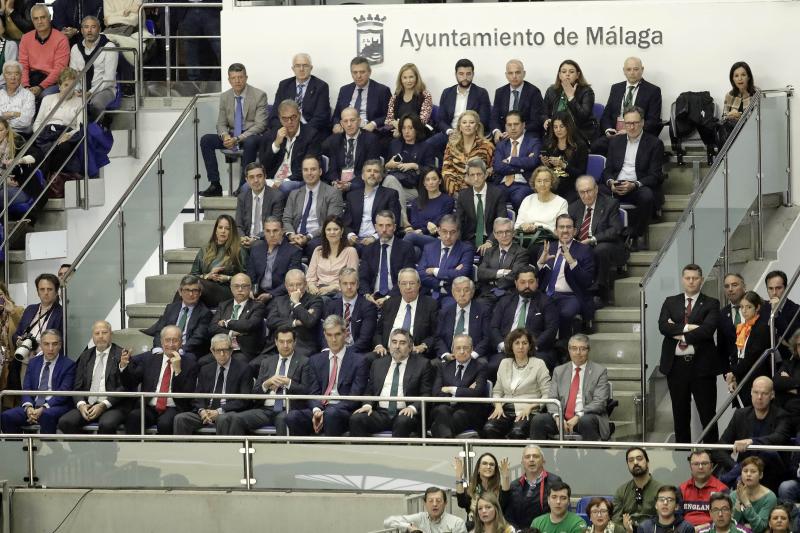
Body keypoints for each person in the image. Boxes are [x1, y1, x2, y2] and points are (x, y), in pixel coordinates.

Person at [658, 263, 721, 443]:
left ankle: (712, 456)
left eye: (695, 278)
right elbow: (663, 327)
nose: (691, 282)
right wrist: (688, 327)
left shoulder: (711, 303)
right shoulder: (671, 301)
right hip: (676, 367)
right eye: (688, 278)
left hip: (701, 366)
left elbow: (708, 330)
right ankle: (683, 456)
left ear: (701, 280)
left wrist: (679, 333)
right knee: (680, 414)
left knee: (707, 414)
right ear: (682, 279)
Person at [218, 326, 316, 436]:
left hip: (288, 409)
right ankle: (240, 452)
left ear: (295, 342)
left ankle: (284, 453)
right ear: (276, 342)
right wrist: (267, 384)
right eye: (281, 341)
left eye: (289, 342)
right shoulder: (267, 362)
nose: (285, 345)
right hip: (266, 410)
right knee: (236, 418)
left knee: (282, 419)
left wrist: (288, 383)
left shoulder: (304, 362)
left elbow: (307, 391)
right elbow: (255, 393)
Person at [286, 315, 368, 437]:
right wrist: (317, 410)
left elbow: (354, 398)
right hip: (321, 408)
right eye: (329, 335)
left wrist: (327, 412)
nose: (333, 339)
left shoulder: (359, 361)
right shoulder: (315, 360)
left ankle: (331, 453)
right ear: (324, 335)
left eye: (337, 334)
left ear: (345, 334)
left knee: (331, 414)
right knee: (292, 417)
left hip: (342, 412)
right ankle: (302, 453)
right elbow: (313, 393)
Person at [600, 106, 664, 251]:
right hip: (617, 184)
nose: (631, 126)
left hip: (638, 186)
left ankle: (637, 234)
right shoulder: (616, 142)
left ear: (642, 122)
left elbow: (655, 176)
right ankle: (606, 233)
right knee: (594, 191)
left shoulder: (654, 143)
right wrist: (611, 183)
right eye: (628, 123)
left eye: (635, 123)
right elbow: (607, 170)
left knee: (647, 196)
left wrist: (634, 184)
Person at [198, 63, 267, 197]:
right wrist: (225, 136)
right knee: (206, 140)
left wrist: (237, 138)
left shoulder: (259, 95)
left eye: (240, 77)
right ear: (229, 80)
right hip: (231, 135)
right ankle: (215, 184)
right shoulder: (225, 97)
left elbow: (260, 125)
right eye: (234, 78)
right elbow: (221, 123)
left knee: (250, 142)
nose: (237, 81)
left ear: (246, 78)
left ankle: (243, 186)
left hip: (250, 135)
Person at [350, 328, 432, 437]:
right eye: (394, 342)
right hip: (381, 413)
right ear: (389, 345)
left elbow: (426, 394)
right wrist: (367, 405)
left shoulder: (422, 364)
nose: (397, 346)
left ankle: (394, 454)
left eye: (402, 343)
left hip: (405, 413)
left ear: (410, 347)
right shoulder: (378, 364)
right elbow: (369, 390)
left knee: (402, 421)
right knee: (356, 419)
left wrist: (412, 408)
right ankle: (366, 453)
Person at [530, 333, 612, 441]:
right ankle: (539, 456)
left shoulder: (599, 371)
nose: (578, 353)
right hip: (562, 418)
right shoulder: (559, 371)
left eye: (582, 349)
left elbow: (599, 403)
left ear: (588, 350)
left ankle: (591, 457)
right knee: (538, 420)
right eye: (574, 348)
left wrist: (578, 416)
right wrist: (557, 417)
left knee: (586, 421)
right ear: (569, 350)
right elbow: (552, 398)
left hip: (586, 417)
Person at [718, 376, 792, 493]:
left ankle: (727, 479)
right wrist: (738, 468)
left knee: (767, 451)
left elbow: (778, 438)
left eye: (764, 393)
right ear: (751, 393)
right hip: (742, 473)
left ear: (772, 395)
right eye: (756, 392)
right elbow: (720, 448)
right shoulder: (740, 415)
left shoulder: (782, 416)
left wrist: (752, 441)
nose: (759, 397)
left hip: (771, 472)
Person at [120, 325, 198, 435]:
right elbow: (131, 383)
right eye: (167, 340)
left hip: (174, 407)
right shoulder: (150, 359)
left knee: (165, 423)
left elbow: (186, 394)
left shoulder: (190, 363)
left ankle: (163, 452)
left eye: (175, 340)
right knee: (134, 417)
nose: (171, 344)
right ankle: (135, 451)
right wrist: (124, 367)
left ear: (181, 343)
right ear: (161, 342)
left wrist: (178, 371)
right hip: (150, 406)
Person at [56, 320, 129, 434]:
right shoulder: (85, 356)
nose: (100, 336)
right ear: (92, 336)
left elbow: (124, 386)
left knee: (107, 424)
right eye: (97, 333)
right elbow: (77, 386)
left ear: (111, 334)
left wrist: (103, 405)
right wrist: (81, 405)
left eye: (104, 332)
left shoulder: (122, 354)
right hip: (88, 404)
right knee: (65, 422)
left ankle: (102, 452)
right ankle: (85, 451)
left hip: (113, 405)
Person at [173, 334, 253, 435]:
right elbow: (198, 396)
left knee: (223, 419)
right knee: (181, 418)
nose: (222, 354)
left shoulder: (244, 369)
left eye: (225, 350)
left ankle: (222, 450)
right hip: (207, 412)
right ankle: (182, 450)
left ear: (231, 350)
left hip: (228, 412)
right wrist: (202, 411)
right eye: (218, 350)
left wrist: (219, 411)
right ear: (212, 351)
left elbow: (244, 400)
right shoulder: (205, 369)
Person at [0, 328, 74, 433]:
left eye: (54, 344)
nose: (50, 348)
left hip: (55, 406)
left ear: (60, 345)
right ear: (41, 346)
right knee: (6, 416)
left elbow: (64, 392)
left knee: (46, 415)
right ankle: (19, 448)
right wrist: (29, 407)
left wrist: (43, 408)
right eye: (46, 344)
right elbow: (27, 388)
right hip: (33, 405)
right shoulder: (33, 363)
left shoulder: (68, 365)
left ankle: (50, 448)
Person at [569, 176, 628, 308]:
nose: (586, 195)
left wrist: (592, 240)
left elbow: (615, 230)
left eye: (589, 190)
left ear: (596, 189)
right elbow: (569, 229)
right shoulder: (573, 208)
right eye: (582, 192)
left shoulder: (610, 203)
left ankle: (599, 292)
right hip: (581, 245)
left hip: (608, 245)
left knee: (599, 250)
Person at [489, 265, 559, 374]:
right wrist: (504, 346)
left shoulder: (547, 302)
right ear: (516, 283)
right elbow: (494, 327)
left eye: (531, 282)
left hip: (535, 351)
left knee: (536, 367)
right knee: (492, 366)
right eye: (522, 282)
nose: (527, 286)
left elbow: (551, 329)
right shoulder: (505, 301)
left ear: (537, 282)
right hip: (507, 350)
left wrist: (530, 347)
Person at [483, 328, 550, 439]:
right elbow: (497, 391)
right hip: (505, 409)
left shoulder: (539, 364)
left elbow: (547, 394)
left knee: (517, 432)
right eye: (517, 343)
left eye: (524, 343)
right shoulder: (504, 363)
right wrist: (498, 406)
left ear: (529, 346)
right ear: (511, 346)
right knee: (489, 428)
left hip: (528, 411)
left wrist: (531, 407)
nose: (520, 347)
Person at [536, 214, 596, 338]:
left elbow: (587, 281)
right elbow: (536, 280)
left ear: (574, 231)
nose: (565, 230)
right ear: (555, 231)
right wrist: (540, 264)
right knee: (535, 314)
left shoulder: (584, 250)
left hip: (570, 296)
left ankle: (562, 346)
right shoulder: (547, 248)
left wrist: (573, 263)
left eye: (568, 227)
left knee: (565, 314)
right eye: (561, 227)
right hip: (546, 295)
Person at [594, 57, 662, 155]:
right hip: (615, 134)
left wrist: (628, 131)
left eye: (636, 69)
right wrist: (608, 130)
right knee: (595, 146)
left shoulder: (653, 91)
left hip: (637, 134)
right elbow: (606, 115)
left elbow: (653, 121)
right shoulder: (616, 88)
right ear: (624, 71)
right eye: (629, 69)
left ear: (642, 70)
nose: (632, 73)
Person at [8, 273, 63, 393]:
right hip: (25, 358)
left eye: (49, 289)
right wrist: (19, 340)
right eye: (42, 289)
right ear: (37, 292)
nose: (46, 292)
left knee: (42, 395)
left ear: (56, 291)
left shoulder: (61, 313)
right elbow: (17, 332)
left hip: (46, 359)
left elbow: (61, 339)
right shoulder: (30, 309)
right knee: (26, 393)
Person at [282, 154, 345, 257]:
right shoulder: (294, 194)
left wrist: (308, 237)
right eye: (305, 170)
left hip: (318, 237)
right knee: (277, 242)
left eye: (313, 169)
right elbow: (286, 219)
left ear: (320, 171)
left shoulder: (333, 193)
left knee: (314, 246)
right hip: (295, 235)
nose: (309, 173)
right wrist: (292, 235)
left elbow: (331, 223)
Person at [430, 333, 489, 438]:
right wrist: (465, 392)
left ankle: (442, 436)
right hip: (445, 409)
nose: (462, 351)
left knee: (438, 425)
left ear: (471, 349)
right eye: (458, 348)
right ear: (453, 350)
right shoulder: (443, 367)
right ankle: (447, 439)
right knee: (441, 409)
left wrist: (451, 389)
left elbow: (477, 392)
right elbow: (436, 393)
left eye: (465, 348)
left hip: (469, 412)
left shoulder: (480, 367)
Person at [372, 268, 438, 360]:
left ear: (419, 284)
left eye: (412, 283)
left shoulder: (430, 305)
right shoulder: (389, 303)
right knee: (366, 360)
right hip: (387, 353)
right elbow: (378, 332)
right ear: (398, 285)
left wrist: (423, 346)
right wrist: (379, 346)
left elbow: (436, 334)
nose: (408, 287)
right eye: (403, 283)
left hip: (414, 355)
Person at [259, 100, 321, 194]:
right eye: (285, 119)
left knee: (284, 187)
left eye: (293, 117)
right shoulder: (271, 135)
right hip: (272, 180)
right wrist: (276, 144)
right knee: (247, 187)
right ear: (280, 119)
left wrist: (284, 181)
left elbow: (308, 167)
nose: (290, 122)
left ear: (299, 115)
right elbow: (263, 166)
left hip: (295, 180)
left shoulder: (311, 135)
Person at [141, 274, 213, 357]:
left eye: (195, 290)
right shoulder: (171, 308)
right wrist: (158, 348)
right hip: (166, 349)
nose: (190, 294)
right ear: (180, 292)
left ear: (200, 293)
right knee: (136, 360)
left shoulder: (205, 313)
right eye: (186, 290)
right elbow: (159, 331)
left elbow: (198, 338)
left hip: (187, 352)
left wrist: (180, 351)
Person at [429, 58, 491, 153]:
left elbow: (483, 120)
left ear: (473, 74)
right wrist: (450, 131)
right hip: (451, 133)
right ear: (456, 74)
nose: (465, 77)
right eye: (461, 74)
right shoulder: (447, 93)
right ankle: (439, 167)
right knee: (428, 145)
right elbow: (440, 120)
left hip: (471, 134)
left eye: (468, 74)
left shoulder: (481, 93)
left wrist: (467, 132)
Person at [32, 66, 83, 178]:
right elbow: (38, 122)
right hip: (46, 134)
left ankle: (45, 177)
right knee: (36, 150)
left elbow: (80, 127)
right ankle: (50, 177)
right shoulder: (47, 99)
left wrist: (68, 135)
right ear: (59, 86)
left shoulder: (79, 102)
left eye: (72, 85)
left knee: (63, 147)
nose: (68, 88)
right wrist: (39, 135)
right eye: (65, 85)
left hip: (65, 135)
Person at [384, 113, 435, 222]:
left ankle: (401, 222)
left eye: (410, 128)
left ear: (416, 129)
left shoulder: (426, 147)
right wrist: (389, 165)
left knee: (390, 190)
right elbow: (386, 167)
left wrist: (415, 166)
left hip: (414, 189)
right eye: (403, 128)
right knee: (391, 182)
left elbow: (432, 171)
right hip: (394, 182)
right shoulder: (394, 144)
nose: (406, 131)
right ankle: (404, 222)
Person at [263, 269, 324, 359]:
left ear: (305, 284)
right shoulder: (279, 300)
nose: (295, 288)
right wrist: (295, 322)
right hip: (275, 347)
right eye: (291, 285)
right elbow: (271, 322)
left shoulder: (315, 300)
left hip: (302, 347)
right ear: (286, 286)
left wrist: (296, 303)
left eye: (299, 284)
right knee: (254, 365)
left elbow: (310, 321)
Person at [206, 273, 266, 365]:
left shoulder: (258, 306)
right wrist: (231, 333)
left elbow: (249, 325)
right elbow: (212, 327)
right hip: (221, 348)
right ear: (231, 288)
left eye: (244, 286)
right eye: (236, 286)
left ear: (250, 288)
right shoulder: (224, 305)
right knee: (202, 363)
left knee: (235, 365)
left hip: (242, 351)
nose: (240, 289)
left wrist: (227, 323)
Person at [189, 214, 247, 307]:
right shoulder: (205, 249)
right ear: (216, 230)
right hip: (205, 289)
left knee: (197, 285)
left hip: (226, 291)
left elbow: (246, 279)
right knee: (186, 286)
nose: (223, 231)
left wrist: (227, 278)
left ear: (232, 232)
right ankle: (172, 317)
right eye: (220, 227)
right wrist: (208, 276)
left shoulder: (239, 250)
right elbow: (192, 276)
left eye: (227, 228)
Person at [724, 291, 771, 406]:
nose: (744, 311)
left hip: (755, 376)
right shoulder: (742, 327)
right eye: (742, 307)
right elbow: (736, 352)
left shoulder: (762, 327)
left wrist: (733, 372)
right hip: (742, 375)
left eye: (749, 307)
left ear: (757, 307)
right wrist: (732, 372)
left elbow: (752, 356)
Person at [359, 210, 415, 305]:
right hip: (372, 297)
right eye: (380, 225)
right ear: (376, 227)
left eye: (388, 225)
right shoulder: (368, 250)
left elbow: (407, 279)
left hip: (397, 296)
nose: (384, 229)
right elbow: (363, 277)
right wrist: (367, 295)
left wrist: (388, 297)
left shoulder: (406, 248)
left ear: (394, 227)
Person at [417, 214, 474, 306]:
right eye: (444, 231)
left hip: (452, 295)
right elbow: (420, 273)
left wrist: (434, 271)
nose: (448, 236)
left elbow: (462, 274)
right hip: (428, 292)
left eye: (452, 232)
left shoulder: (466, 249)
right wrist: (441, 282)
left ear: (458, 232)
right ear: (438, 231)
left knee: (448, 309)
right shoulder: (429, 247)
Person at [342, 159, 401, 247]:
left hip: (379, 240)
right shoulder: (352, 196)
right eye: (369, 171)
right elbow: (346, 223)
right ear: (362, 176)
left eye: (376, 171)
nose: (372, 173)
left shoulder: (391, 194)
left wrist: (374, 237)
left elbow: (394, 221)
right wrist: (351, 235)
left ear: (381, 177)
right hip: (356, 240)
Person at [267, 53, 330, 136]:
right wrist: (284, 129)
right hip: (286, 130)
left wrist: (301, 132)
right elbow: (274, 115)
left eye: (305, 65)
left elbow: (321, 117)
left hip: (310, 131)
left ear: (311, 68)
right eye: (297, 66)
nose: (301, 69)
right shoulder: (284, 85)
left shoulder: (321, 87)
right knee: (266, 139)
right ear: (293, 69)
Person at [67, 16, 116, 121]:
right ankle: (76, 134)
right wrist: (76, 91)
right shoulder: (75, 48)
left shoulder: (109, 47)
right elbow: (73, 75)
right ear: (81, 30)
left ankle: (98, 130)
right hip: (81, 90)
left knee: (96, 104)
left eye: (93, 27)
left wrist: (90, 92)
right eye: (86, 27)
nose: (89, 30)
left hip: (104, 90)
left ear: (99, 29)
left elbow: (109, 79)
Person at [322, 107, 381, 192]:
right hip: (338, 185)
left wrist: (350, 185)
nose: (349, 124)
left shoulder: (371, 140)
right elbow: (332, 169)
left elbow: (370, 171)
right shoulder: (335, 140)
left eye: (352, 120)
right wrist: (335, 182)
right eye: (345, 121)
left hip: (360, 184)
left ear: (359, 121)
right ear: (341, 123)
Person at [504, 445, 562, 530]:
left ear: (543, 461)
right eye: (527, 457)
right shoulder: (514, 485)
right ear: (522, 462)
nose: (531, 460)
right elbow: (509, 516)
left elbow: (560, 511)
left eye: (536, 456)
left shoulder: (554, 482)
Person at [475, 217, 528, 309]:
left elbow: (514, 275)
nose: (504, 235)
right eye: (500, 232)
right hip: (487, 291)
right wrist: (502, 272)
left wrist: (494, 281)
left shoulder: (521, 252)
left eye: (507, 231)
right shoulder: (489, 251)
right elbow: (481, 273)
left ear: (513, 233)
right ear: (495, 235)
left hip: (508, 292)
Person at [322, 267, 378, 354]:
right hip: (334, 350)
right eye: (345, 283)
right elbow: (326, 333)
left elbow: (365, 340)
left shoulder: (368, 307)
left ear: (358, 285)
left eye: (352, 283)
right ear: (340, 285)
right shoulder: (331, 305)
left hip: (357, 352)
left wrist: (344, 353)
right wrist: (327, 350)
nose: (349, 287)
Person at [246, 216, 302, 304]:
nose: (271, 235)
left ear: (282, 231)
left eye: (275, 231)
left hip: (280, 296)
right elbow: (250, 275)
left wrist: (271, 294)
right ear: (263, 232)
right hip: (257, 295)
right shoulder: (256, 249)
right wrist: (250, 290)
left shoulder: (294, 251)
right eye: (268, 231)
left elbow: (291, 282)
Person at [454, 158, 506, 250]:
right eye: (472, 175)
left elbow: (501, 222)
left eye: (479, 174)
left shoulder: (497, 193)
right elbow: (458, 221)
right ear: (468, 177)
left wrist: (490, 241)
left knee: (487, 255)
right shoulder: (463, 195)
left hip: (491, 239)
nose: (476, 178)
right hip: (469, 239)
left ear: (485, 175)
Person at [492, 111, 540, 211]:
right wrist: (522, 167)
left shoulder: (533, 142)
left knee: (518, 198)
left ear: (523, 125)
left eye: (516, 124)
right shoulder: (501, 145)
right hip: (502, 184)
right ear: (505, 126)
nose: (513, 128)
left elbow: (533, 162)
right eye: (509, 125)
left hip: (523, 184)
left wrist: (510, 160)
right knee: (492, 198)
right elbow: (498, 167)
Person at [331, 56, 391, 135]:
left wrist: (373, 124)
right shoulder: (344, 90)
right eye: (355, 72)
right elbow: (336, 115)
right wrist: (336, 124)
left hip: (368, 132)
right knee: (326, 145)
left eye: (362, 72)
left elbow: (388, 116)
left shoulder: (382, 90)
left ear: (369, 72)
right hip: (346, 132)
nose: (358, 76)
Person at [19, 5, 69, 99]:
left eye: (43, 17)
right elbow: (23, 66)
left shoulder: (61, 39)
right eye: (36, 18)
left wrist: (41, 87)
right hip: (30, 79)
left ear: (50, 18)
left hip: (52, 82)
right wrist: (26, 86)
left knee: (45, 95)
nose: (39, 21)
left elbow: (59, 69)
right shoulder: (25, 38)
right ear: (32, 21)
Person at [434, 277, 490, 361]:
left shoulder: (483, 311)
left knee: (482, 363)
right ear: (453, 293)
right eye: (458, 290)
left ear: (472, 292)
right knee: (434, 364)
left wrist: (472, 355)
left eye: (466, 290)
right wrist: (446, 355)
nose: (462, 294)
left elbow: (487, 338)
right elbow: (438, 338)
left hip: (473, 356)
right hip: (450, 355)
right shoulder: (445, 312)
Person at [542, 59, 597, 144]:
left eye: (571, 72)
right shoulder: (551, 90)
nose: (567, 74)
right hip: (556, 132)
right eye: (564, 72)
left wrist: (571, 97)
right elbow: (543, 113)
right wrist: (545, 120)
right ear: (559, 75)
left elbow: (583, 117)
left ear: (577, 75)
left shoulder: (587, 91)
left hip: (579, 132)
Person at [0, 115, 44, 222]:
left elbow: (38, 154)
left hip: (21, 188)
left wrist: (19, 160)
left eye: (0, 130)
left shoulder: (17, 143)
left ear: (6, 131)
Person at [442, 110, 494, 195]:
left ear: (477, 126)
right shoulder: (451, 145)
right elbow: (446, 170)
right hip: (455, 191)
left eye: (472, 122)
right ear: (460, 127)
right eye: (464, 122)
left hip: (478, 189)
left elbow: (492, 169)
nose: (468, 125)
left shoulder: (487, 146)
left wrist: (478, 180)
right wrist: (455, 192)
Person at [453, 452, 510, 530]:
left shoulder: (499, 490)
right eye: (485, 463)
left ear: (495, 470)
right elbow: (461, 503)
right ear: (478, 468)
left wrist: (505, 477)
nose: (488, 466)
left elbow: (504, 503)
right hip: (474, 529)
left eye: (492, 464)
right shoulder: (471, 489)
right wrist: (458, 476)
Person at [491, 59, 544, 142]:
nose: (514, 76)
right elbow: (494, 118)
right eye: (510, 73)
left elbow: (536, 120)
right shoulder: (500, 92)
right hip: (504, 135)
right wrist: (497, 131)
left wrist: (516, 132)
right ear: (506, 75)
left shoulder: (533, 92)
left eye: (518, 72)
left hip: (526, 134)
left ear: (524, 74)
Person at [306, 215, 359, 299]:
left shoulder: (350, 251)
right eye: (328, 229)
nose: (332, 232)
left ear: (341, 231)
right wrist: (311, 285)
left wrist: (332, 287)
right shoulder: (318, 251)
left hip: (339, 292)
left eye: (336, 229)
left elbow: (352, 279)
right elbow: (310, 277)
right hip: (319, 290)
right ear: (325, 232)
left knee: (323, 301)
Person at [540, 111, 588, 202]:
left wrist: (563, 165)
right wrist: (546, 165)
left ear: (568, 127)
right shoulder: (548, 144)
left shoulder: (580, 146)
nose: (558, 130)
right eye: (555, 127)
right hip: (552, 185)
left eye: (562, 126)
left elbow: (581, 173)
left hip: (571, 186)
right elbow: (544, 172)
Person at [403, 167, 454, 252]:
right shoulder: (416, 201)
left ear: (440, 181)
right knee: (415, 251)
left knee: (409, 236)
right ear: (424, 183)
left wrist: (422, 230)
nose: (431, 182)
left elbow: (439, 222)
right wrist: (428, 224)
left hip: (437, 239)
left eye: (434, 179)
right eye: (427, 180)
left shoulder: (447, 200)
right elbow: (415, 223)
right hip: (418, 238)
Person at [611, 447, 664, 529]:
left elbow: (666, 520)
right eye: (631, 460)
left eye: (639, 459)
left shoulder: (661, 490)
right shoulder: (621, 491)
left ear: (647, 462)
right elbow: (616, 521)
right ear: (628, 465)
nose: (635, 462)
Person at [235, 163, 285, 247]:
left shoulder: (276, 196)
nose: (256, 180)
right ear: (246, 180)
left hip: (266, 239)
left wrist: (255, 238)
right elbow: (238, 225)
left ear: (265, 177)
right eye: (251, 177)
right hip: (246, 240)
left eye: (259, 176)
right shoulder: (242, 197)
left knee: (257, 247)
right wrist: (243, 238)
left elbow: (276, 224)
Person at [514, 166, 568, 240]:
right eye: (539, 181)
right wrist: (524, 226)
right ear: (534, 184)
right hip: (526, 240)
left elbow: (562, 229)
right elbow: (517, 226)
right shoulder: (527, 199)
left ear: (552, 183)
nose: (542, 184)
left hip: (549, 241)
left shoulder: (561, 202)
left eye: (546, 181)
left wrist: (537, 228)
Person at [679, 449, 728, 530]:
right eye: (696, 464)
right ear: (690, 467)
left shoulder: (722, 489)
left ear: (711, 466)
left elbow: (724, 518)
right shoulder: (682, 489)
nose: (700, 467)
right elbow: (677, 517)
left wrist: (703, 529)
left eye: (704, 463)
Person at [383, 486, 468, 533]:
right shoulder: (420, 518)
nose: (434, 504)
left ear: (445, 503)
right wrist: (408, 527)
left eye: (438, 501)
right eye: (430, 501)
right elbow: (388, 522)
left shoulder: (457, 523)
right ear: (425, 503)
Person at [730, 456, 777, 533]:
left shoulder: (770, 497)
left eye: (753, 471)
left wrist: (746, 502)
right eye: (745, 471)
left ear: (761, 475)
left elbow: (759, 528)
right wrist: (739, 501)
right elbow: (732, 525)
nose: (748, 474)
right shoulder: (734, 495)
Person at [385, 62, 432, 136]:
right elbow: (388, 120)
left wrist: (402, 128)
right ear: (401, 80)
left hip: (417, 134)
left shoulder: (425, 95)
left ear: (416, 78)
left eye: (411, 77)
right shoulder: (395, 96)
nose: (408, 81)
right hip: (395, 132)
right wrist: (396, 126)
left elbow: (422, 121)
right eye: (405, 78)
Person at [762, 270, 800, 360]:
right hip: (766, 361)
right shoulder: (762, 308)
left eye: (778, 288)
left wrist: (776, 314)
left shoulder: (796, 310)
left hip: (787, 360)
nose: (774, 292)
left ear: (786, 288)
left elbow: (792, 339)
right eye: (770, 288)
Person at [718, 273, 748, 374]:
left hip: (759, 368)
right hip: (735, 371)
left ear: (744, 286)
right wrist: (727, 374)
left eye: (734, 285)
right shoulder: (722, 314)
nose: (730, 289)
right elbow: (722, 349)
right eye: (727, 286)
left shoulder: (759, 307)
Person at [0, 281, 23, 408]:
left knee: (13, 402)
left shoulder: (18, 310)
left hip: (15, 362)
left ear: (6, 295)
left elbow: (25, 328)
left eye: (0, 294)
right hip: (1, 365)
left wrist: (12, 311)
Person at [774, 329, 800, 429]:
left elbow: (782, 387)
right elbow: (776, 382)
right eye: (799, 344)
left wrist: (789, 383)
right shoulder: (789, 364)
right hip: (784, 417)